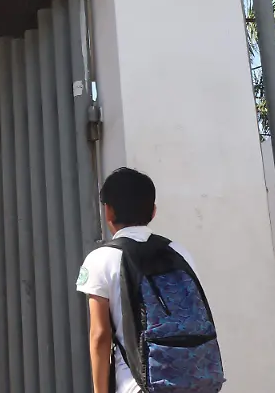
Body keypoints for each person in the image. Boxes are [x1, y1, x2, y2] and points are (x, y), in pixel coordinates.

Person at [76, 167, 224, 393]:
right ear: (153, 211)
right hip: (195, 381)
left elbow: (100, 335)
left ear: (108, 211)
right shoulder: (179, 252)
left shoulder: (101, 259)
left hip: (137, 384)